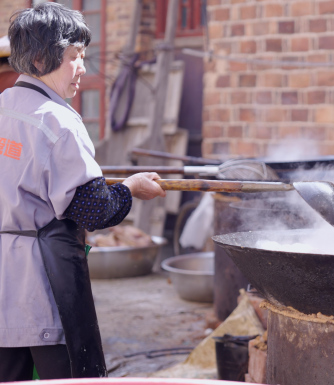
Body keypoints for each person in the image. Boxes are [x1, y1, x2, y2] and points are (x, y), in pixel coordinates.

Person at [0, 3, 167, 381]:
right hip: (43, 284)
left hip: (2, 281)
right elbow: (93, 209)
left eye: (84, 57)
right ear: (42, 59)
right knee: (72, 379)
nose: (82, 69)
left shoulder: (4, 107)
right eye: (74, 57)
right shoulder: (57, 121)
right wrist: (129, 188)